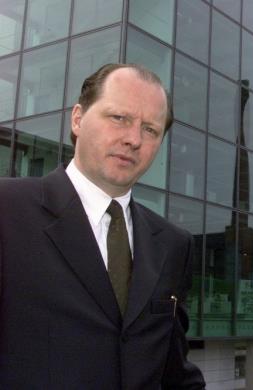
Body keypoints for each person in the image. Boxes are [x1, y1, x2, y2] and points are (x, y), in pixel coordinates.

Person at [0, 63, 205, 389]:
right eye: (119, 118)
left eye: (150, 130)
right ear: (78, 119)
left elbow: (174, 373)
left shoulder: (173, 245)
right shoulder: (8, 210)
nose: (133, 139)